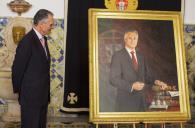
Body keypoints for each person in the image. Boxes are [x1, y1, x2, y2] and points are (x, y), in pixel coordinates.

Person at [12, 9, 54, 128]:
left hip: (42, 97)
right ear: (42, 24)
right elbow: (17, 69)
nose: (52, 27)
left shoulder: (43, 39)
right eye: (51, 24)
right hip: (30, 98)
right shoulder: (27, 41)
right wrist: (21, 92)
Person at [109, 30, 167, 112]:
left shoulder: (141, 56)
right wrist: (131, 86)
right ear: (125, 39)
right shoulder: (117, 56)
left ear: (137, 40)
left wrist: (157, 82)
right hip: (125, 103)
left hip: (142, 101)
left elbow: (146, 76)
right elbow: (113, 79)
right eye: (130, 38)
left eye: (135, 38)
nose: (133, 40)